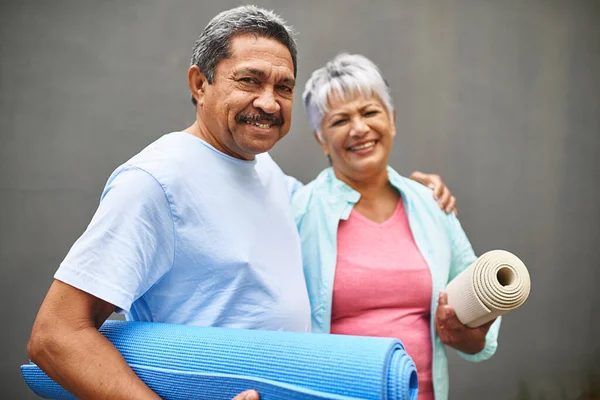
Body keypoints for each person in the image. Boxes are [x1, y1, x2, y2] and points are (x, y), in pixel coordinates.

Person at [26, 6, 456, 400]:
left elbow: (333, 201)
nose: (269, 102)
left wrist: (410, 192)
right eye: (249, 80)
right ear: (200, 84)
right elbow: (56, 336)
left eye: (283, 87)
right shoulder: (155, 180)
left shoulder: (266, 173)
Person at [294, 53, 501, 400]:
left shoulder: (431, 204)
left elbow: (476, 311)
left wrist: (471, 331)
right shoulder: (300, 211)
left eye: (370, 112)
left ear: (392, 120)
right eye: (340, 120)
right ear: (320, 138)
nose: (359, 128)